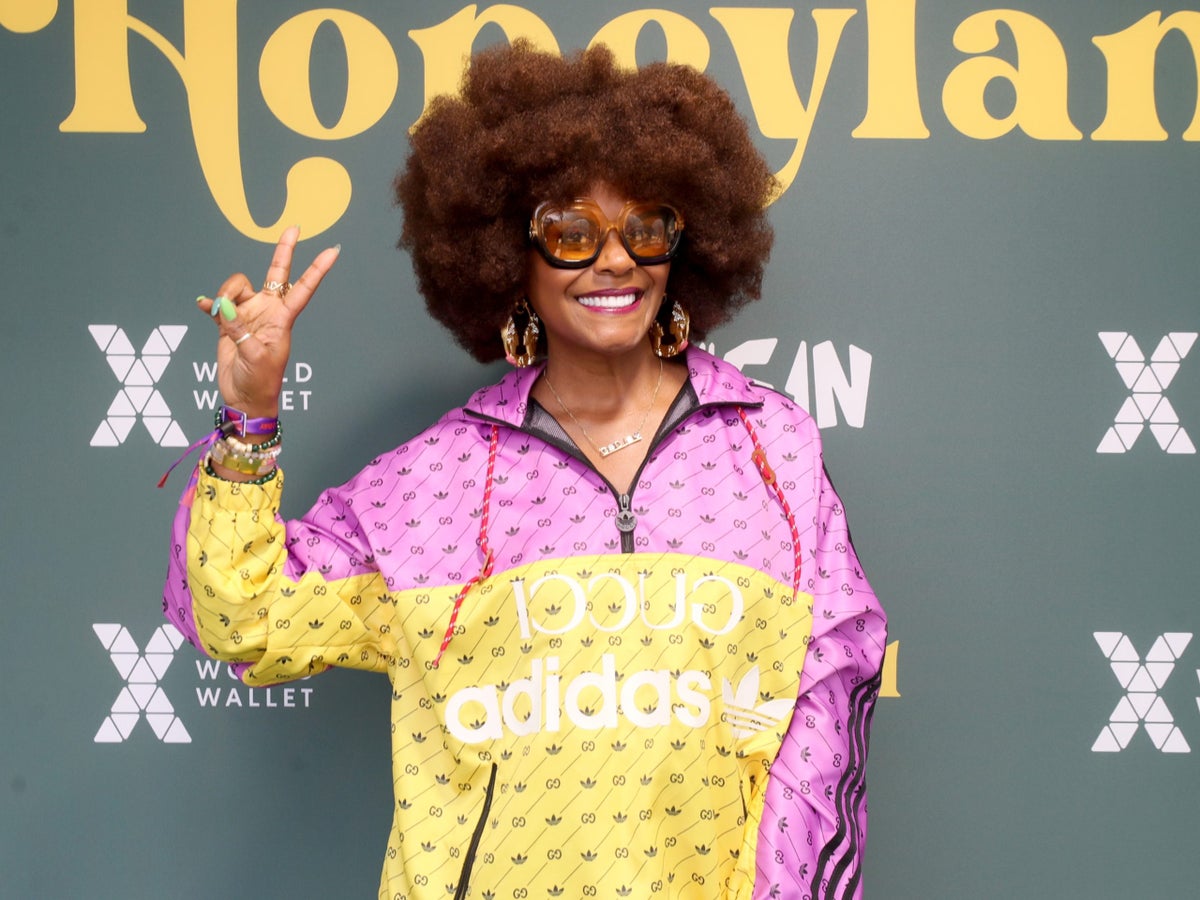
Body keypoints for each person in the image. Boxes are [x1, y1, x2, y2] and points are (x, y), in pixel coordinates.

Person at [163, 41, 887, 900]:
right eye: (571, 232)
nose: (615, 260)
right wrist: (248, 414)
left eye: (645, 227)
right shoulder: (431, 483)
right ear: (510, 256)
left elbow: (829, 691)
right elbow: (242, 617)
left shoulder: (773, 450)